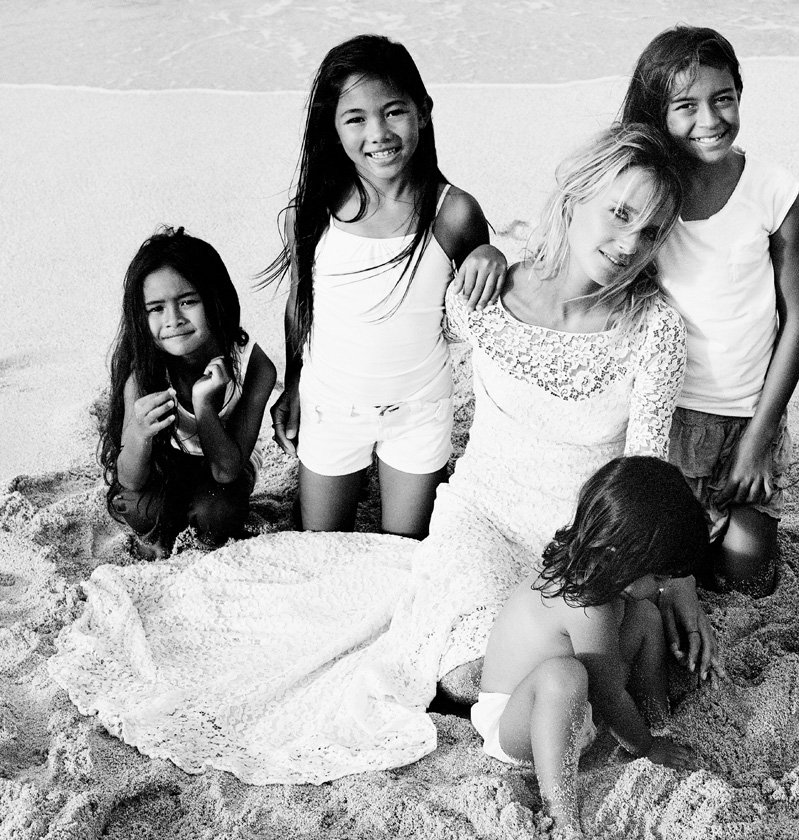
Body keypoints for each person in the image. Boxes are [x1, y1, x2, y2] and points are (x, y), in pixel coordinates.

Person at [51, 123, 719, 785]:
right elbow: (367, 320)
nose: (630, 245)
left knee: (603, 662)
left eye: (651, 232)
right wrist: (302, 389)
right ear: (574, 200)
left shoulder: (654, 327)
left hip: (591, 535)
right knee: (469, 673)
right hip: (483, 518)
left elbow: (647, 468)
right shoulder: (485, 293)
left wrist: (674, 578)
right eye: (620, 214)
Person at [260, 34, 506, 539]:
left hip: (419, 411)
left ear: (423, 111)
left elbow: (481, 305)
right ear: (333, 128)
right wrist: (294, 383)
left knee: (405, 547)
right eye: (356, 119)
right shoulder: (312, 213)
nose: (378, 133)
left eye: (394, 112)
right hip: (331, 406)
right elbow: (300, 303)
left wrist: (492, 257)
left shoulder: (452, 212)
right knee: (321, 542)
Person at [618, 26, 799, 595]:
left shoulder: (773, 190)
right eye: (686, 106)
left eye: (723, 98)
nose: (710, 119)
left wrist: (758, 439)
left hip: (751, 414)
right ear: (657, 113)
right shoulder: (647, 193)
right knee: (666, 573)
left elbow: (797, 323)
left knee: (746, 578)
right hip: (669, 416)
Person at [476, 456, 705, 833]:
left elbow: (603, 679)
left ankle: (658, 716)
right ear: (621, 559)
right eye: (659, 576)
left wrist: (651, 731)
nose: (663, 586)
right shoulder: (585, 606)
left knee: (646, 617)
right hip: (520, 723)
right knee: (564, 676)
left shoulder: (603, 573)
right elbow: (607, 694)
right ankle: (560, 810)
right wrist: (645, 748)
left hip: (575, 705)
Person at [100, 226, 276, 551]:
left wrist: (204, 406)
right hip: (167, 466)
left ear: (215, 299)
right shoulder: (144, 372)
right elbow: (130, 479)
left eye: (188, 301)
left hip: (224, 467)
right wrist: (140, 432)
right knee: (138, 508)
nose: (173, 319)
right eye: (156, 308)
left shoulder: (254, 365)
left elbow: (226, 471)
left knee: (217, 515)